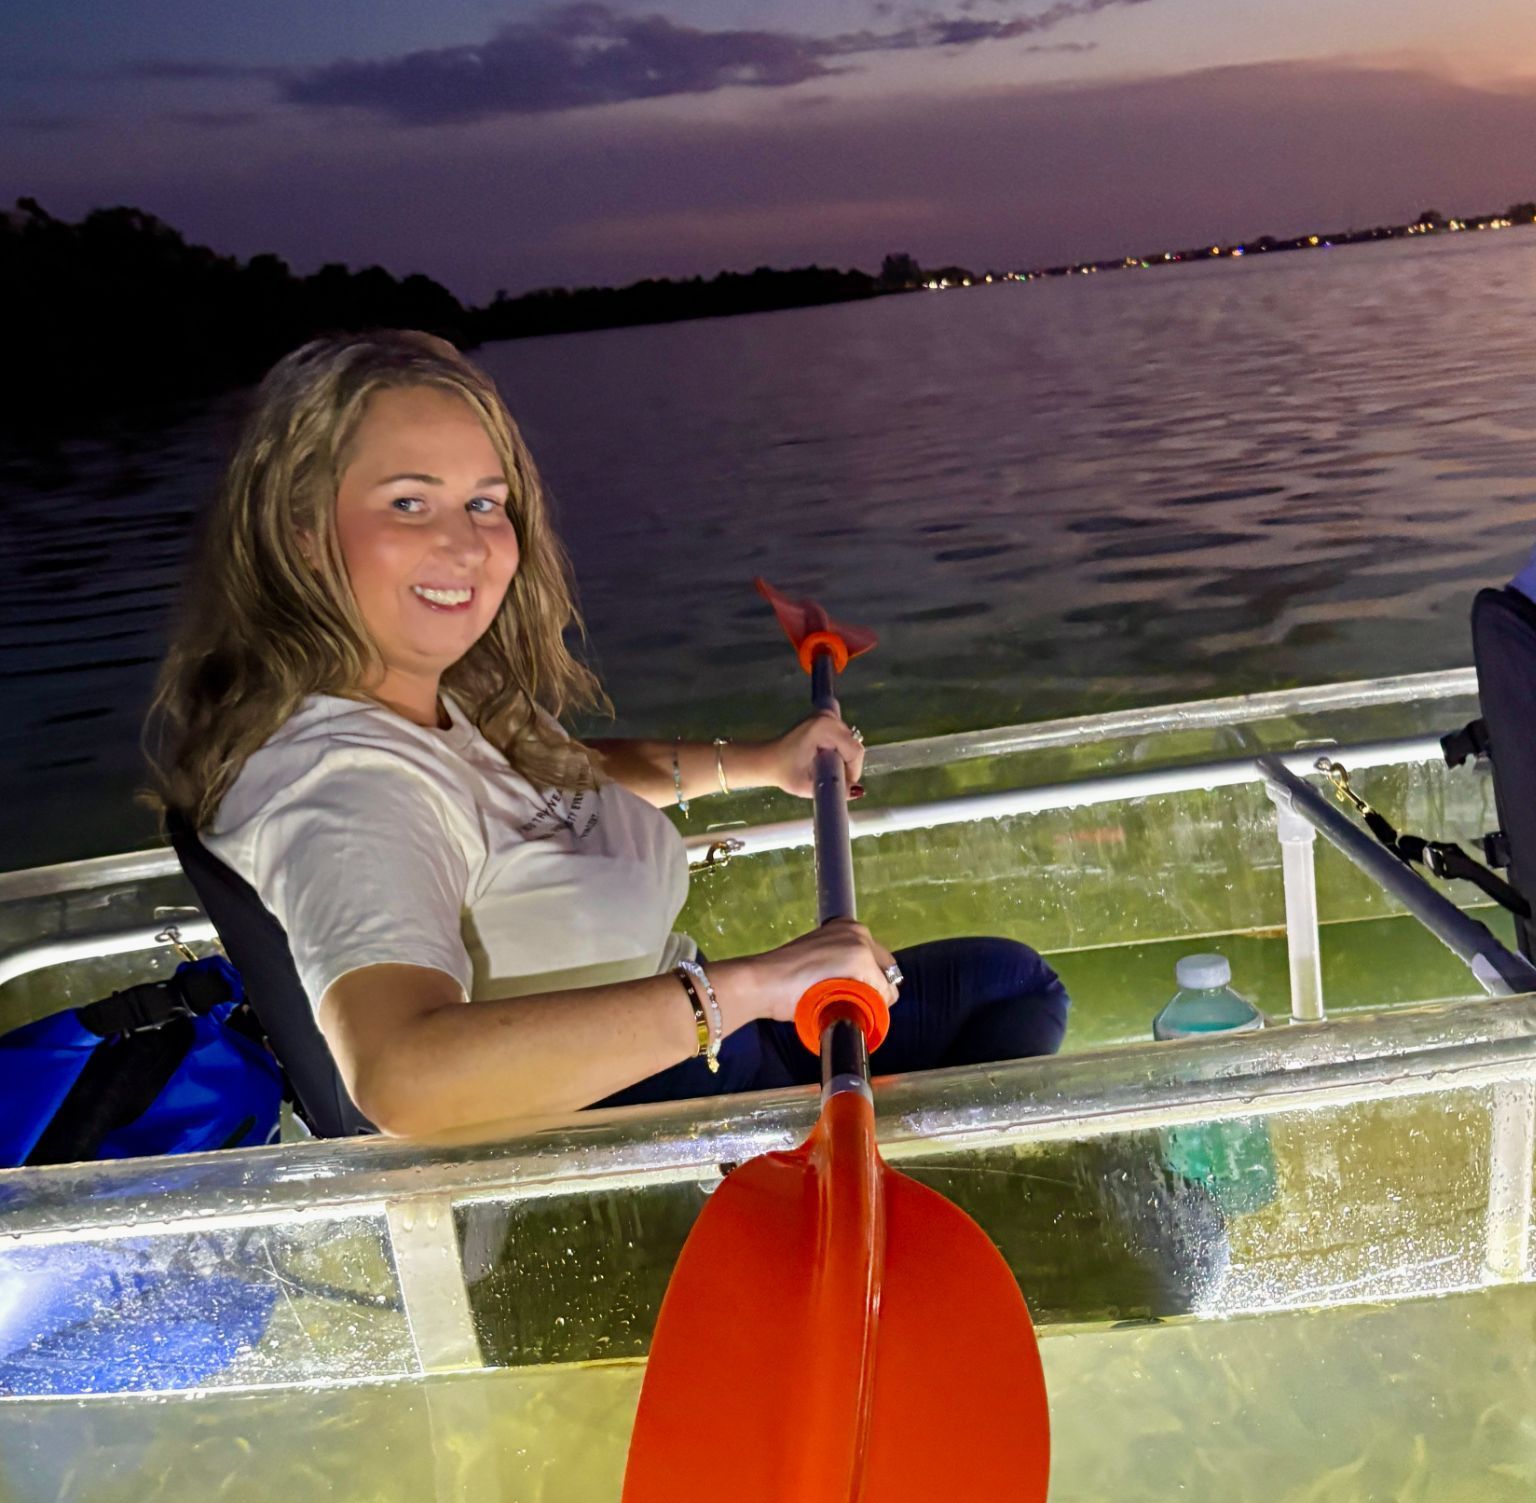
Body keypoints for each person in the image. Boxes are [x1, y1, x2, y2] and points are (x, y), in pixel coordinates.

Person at [146, 331, 1067, 1140]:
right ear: (304, 533)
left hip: (698, 1059)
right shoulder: (342, 781)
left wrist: (756, 763)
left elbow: (560, 785)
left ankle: (933, 1191)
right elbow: (402, 1076)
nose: (468, 548)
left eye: (483, 502)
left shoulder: (423, 692)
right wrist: (746, 989)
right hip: (628, 1146)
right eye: (407, 503)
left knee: (1008, 983)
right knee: (1013, 1006)